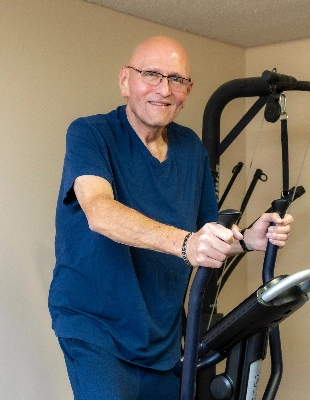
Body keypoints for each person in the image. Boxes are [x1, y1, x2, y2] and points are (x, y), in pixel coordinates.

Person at [48, 36, 293, 400]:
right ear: (125, 80)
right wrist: (184, 244)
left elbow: (206, 235)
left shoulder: (191, 149)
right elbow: (99, 212)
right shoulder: (91, 134)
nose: (164, 89)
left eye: (177, 80)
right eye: (151, 74)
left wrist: (249, 240)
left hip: (161, 337)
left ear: (188, 90)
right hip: (96, 327)